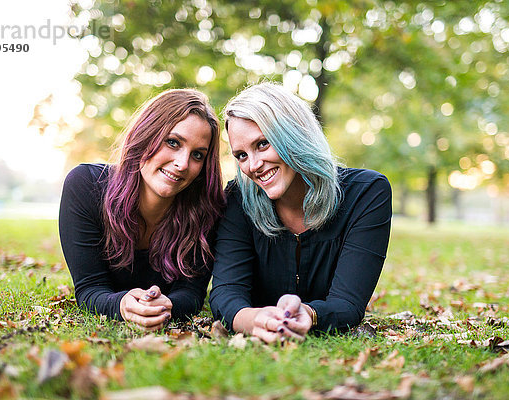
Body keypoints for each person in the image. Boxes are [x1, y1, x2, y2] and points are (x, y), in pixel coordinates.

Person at [209, 83, 392, 343]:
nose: (253, 165)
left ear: (292, 134)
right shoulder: (238, 199)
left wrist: (310, 313)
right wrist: (255, 321)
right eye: (241, 155)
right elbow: (226, 292)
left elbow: (348, 303)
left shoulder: (366, 194)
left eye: (262, 144)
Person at [59, 89, 225, 331]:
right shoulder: (86, 187)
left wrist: (167, 306)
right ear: (146, 134)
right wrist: (121, 305)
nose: (182, 164)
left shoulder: (206, 209)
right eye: (173, 142)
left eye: (198, 155)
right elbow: (90, 289)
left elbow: (191, 293)